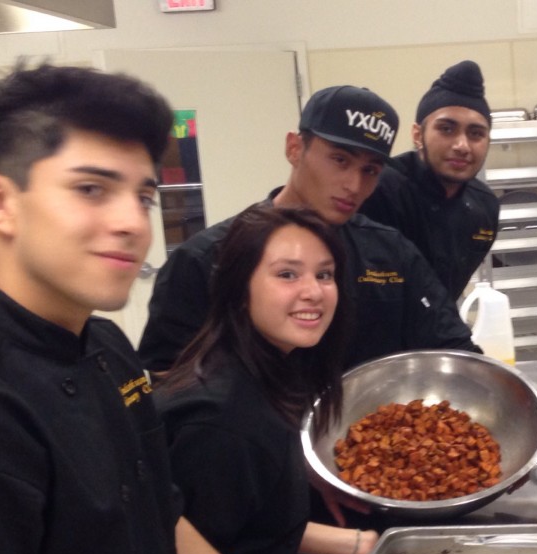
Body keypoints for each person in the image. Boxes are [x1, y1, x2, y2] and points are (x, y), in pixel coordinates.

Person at [0, 63, 378, 554]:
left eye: (143, 192)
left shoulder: (105, 348)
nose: (132, 220)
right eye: (91, 188)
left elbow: (158, 523)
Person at [155, 204, 378, 554]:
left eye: (324, 275)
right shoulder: (221, 421)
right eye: (287, 274)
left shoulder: (269, 379)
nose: (313, 291)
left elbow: (239, 532)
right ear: (238, 288)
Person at [137, 83, 479, 376]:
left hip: (372, 443)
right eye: (340, 160)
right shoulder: (205, 259)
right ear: (295, 148)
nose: (354, 185)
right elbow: (167, 381)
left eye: (370, 170)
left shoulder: (390, 253)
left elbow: (452, 345)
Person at [358, 60, 499, 300]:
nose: (462, 145)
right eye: (447, 129)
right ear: (417, 135)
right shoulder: (378, 190)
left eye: (476, 134)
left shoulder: (484, 207)